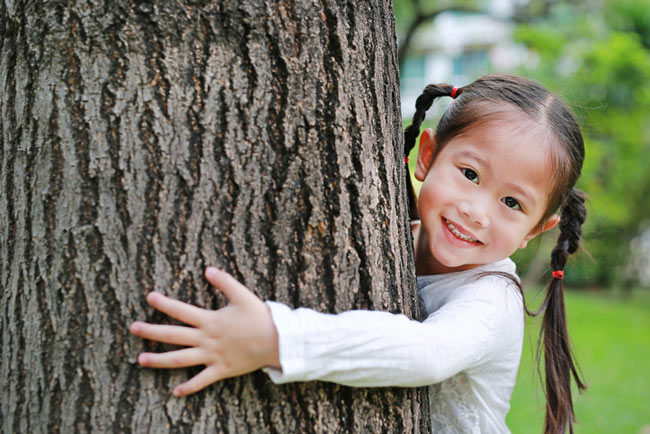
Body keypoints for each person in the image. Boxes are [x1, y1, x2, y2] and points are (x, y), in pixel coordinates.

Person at [130, 74, 587, 434]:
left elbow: (428, 353)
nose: (477, 211)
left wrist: (276, 339)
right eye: (469, 173)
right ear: (426, 154)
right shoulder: (390, 236)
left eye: (512, 204)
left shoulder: (493, 298)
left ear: (536, 230)